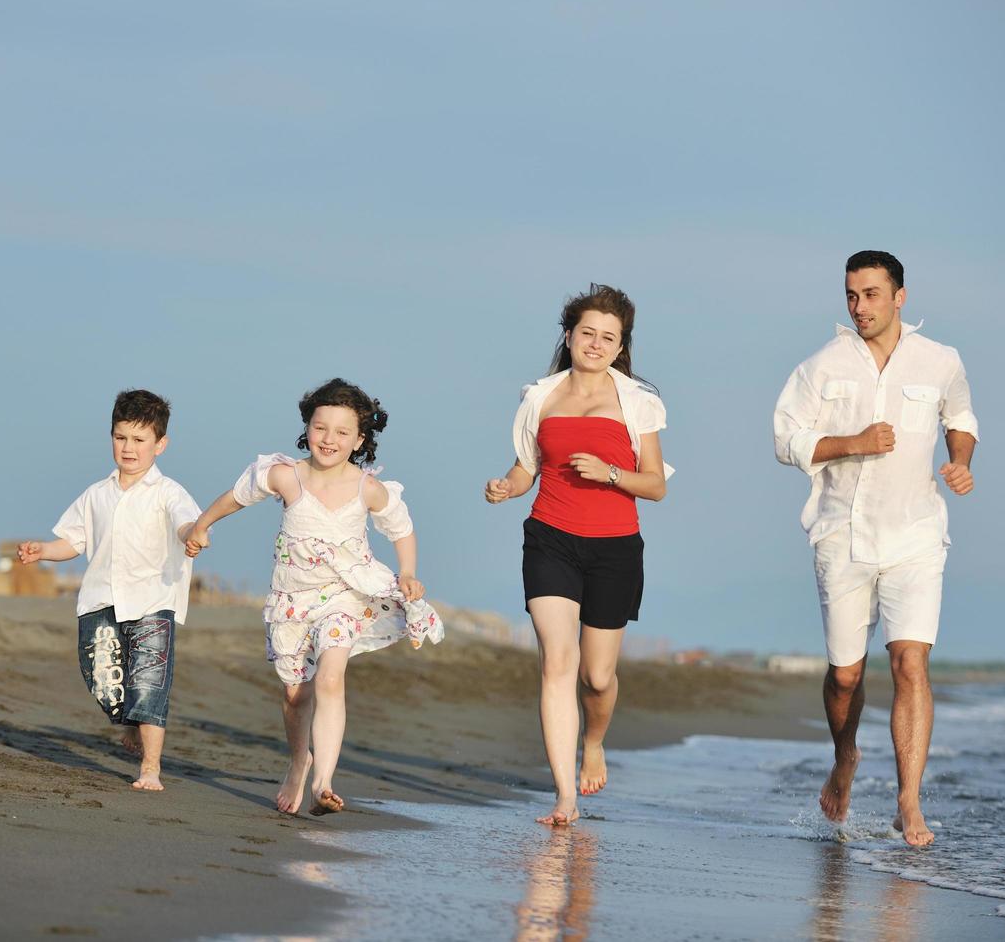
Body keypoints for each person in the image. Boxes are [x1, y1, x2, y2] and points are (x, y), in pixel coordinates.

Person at [773, 250, 978, 846]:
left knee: (910, 663)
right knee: (844, 676)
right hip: (842, 535)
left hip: (916, 535)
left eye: (870, 295)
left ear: (899, 297)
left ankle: (908, 803)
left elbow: (960, 417)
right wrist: (852, 442)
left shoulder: (941, 360)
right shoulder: (822, 365)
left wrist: (960, 460)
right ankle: (844, 757)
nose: (859, 307)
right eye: (851, 296)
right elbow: (785, 439)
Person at [185, 378, 443, 816]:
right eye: (322, 428)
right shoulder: (287, 475)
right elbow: (235, 498)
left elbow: (401, 528)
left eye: (343, 432)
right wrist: (201, 525)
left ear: (360, 439)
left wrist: (410, 573)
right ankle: (298, 762)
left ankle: (324, 779)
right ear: (308, 426)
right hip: (291, 601)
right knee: (294, 696)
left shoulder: (367, 487)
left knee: (329, 677)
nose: (330, 439)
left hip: (344, 594)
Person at [484, 284, 671, 826]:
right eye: (587, 332)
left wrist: (611, 474)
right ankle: (564, 795)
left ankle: (593, 741)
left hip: (615, 547)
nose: (595, 343)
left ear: (620, 347)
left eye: (607, 337)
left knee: (595, 677)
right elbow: (526, 467)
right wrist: (505, 486)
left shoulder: (637, 402)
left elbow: (656, 485)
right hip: (551, 537)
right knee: (557, 663)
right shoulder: (539, 397)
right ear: (568, 337)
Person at [17, 389, 201, 792]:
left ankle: (150, 768)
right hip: (100, 600)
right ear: (111, 438)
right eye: (121, 438)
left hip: (154, 600)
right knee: (102, 679)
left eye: (139, 440)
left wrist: (191, 536)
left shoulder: (169, 493)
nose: (129, 448)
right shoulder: (96, 495)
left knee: (149, 681)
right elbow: (74, 540)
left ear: (160, 444)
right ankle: (130, 723)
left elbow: (186, 523)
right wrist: (44, 551)